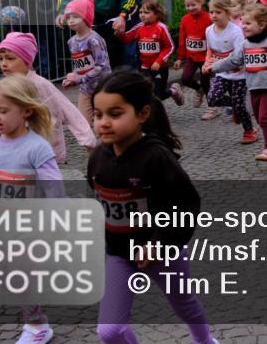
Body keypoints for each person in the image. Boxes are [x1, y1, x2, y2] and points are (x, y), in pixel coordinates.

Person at [88, 71, 218, 344]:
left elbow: (186, 205)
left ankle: (204, 340)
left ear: (143, 113)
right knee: (109, 331)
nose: (104, 122)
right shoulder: (98, 157)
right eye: (98, 115)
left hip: (163, 252)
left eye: (115, 114)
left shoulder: (157, 157)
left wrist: (160, 243)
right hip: (119, 254)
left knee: (184, 303)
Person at [0, 77, 62, 344]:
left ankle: (37, 326)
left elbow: (54, 188)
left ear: (26, 111)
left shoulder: (37, 147)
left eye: (3, 110)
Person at [0, 32, 96, 164]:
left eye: (10, 58)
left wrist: (87, 139)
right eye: (1, 59)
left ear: (27, 61)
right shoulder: (5, 87)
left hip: (45, 151)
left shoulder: (41, 85)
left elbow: (68, 110)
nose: (4, 64)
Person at [207, 4, 267, 162]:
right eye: (243, 23)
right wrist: (214, 67)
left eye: (247, 23)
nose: (243, 26)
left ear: (261, 25)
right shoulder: (245, 45)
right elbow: (233, 60)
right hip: (253, 87)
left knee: (264, 117)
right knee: (260, 119)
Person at [203, 0, 254, 140]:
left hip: (239, 75)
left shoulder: (235, 31)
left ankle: (249, 131)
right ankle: (236, 106)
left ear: (228, 12)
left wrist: (225, 64)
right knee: (212, 98)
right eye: (211, 12)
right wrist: (207, 62)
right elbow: (210, 50)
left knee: (239, 106)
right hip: (222, 74)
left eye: (218, 12)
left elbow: (240, 57)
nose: (214, 15)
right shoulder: (208, 30)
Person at [116, 0, 181, 105]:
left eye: (146, 12)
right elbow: (127, 39)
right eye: (141, 12)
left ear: (156, 14)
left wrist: (159, 61)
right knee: (146, 92)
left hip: (160, 68)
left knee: (159, 94)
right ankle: (149, 112)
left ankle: (173, 91)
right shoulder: (139, 27)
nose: (142, 15)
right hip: (145, 67)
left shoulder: (161, 28)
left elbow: (170, 47)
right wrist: (120, 35)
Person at [61, 0, 111, 123]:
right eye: (68, 18)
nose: (71, 21)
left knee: (104, 122)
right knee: (83, 123)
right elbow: (79, 65)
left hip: (103, 88)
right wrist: (72, 80)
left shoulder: (94, 40)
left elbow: (101, 66)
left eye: (75, 16)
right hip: (86, 89)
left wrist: (80, 78)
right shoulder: (71, 42)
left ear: (86, 18)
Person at [172, 0, 213, 109]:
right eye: (187, 6)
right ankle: (198, 89)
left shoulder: (208, 18)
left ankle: (212, 107)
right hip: (191, 57)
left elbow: (214, 37)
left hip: (206, 58)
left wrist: (214, 55)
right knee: (185, 79)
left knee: (205, 82)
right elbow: (182, 40)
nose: (190, 8)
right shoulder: (185, 20)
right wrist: (180, 58)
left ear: (201, 2)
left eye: (193, 5)